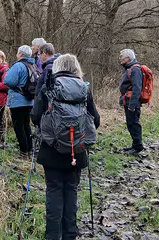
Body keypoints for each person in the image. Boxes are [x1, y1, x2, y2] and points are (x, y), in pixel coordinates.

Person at [32, 54, 100, 240]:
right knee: (71, 191)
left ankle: (53, 235)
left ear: (57, 67)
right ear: (76, 68)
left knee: (53, 191)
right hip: (77, 151)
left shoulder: (48, 87)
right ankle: (70, 234)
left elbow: (35, 116)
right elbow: (96, 120)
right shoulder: (84, 90)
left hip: (51, 149)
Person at [4, 45, 35, 156]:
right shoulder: (32, 65)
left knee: (18, 126)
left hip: (17, 101)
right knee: (27, 125)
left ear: (21, 54)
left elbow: (8, 81)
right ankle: (30, 149)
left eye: (17, 53)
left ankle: (23, 151)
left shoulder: (18, 66)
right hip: (29, 101)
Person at [119, 49, 144, 155]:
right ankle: (135, 145)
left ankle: (138, 147)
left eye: (122, 57)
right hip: (128, 101)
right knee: (131, 123)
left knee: (134, 124)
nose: (120, 59)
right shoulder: (130, 68)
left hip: (132, 102)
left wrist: (132, 105)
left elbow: (137, 88)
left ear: (128, 58)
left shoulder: (135, 70)